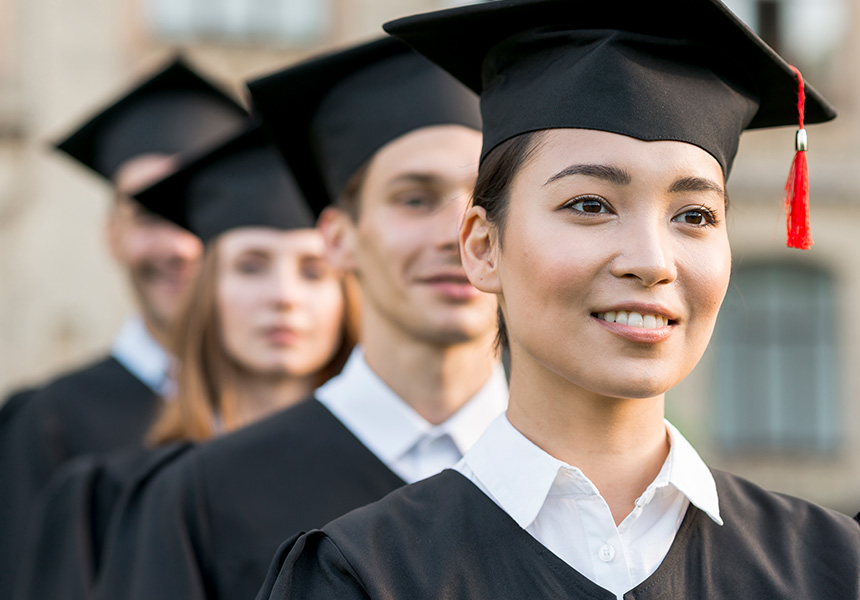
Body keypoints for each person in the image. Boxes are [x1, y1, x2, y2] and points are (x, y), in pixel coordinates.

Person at [256, 1, 860, 598]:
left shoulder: (831, 567)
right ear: (483, 248)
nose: (651, 261)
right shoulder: (363, 577)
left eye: (695, 215)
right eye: (590, 205)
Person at [91, 37, 506, 600]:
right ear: (338, 238)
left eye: (486, 199)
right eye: (414, 199)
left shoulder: (609, 488)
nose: (458, 235)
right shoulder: (203, 498)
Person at [12, 123, 357, 600]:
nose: (284, 297)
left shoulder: (399, 482)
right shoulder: (112, 496)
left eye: (314, 271)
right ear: (206, 293)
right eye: (250, 266)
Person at [0, 57, 247, 598]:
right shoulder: (48, 423)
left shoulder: (302, 408)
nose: (181, 247)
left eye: (199, 212)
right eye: (150, 216)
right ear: (111, 235)